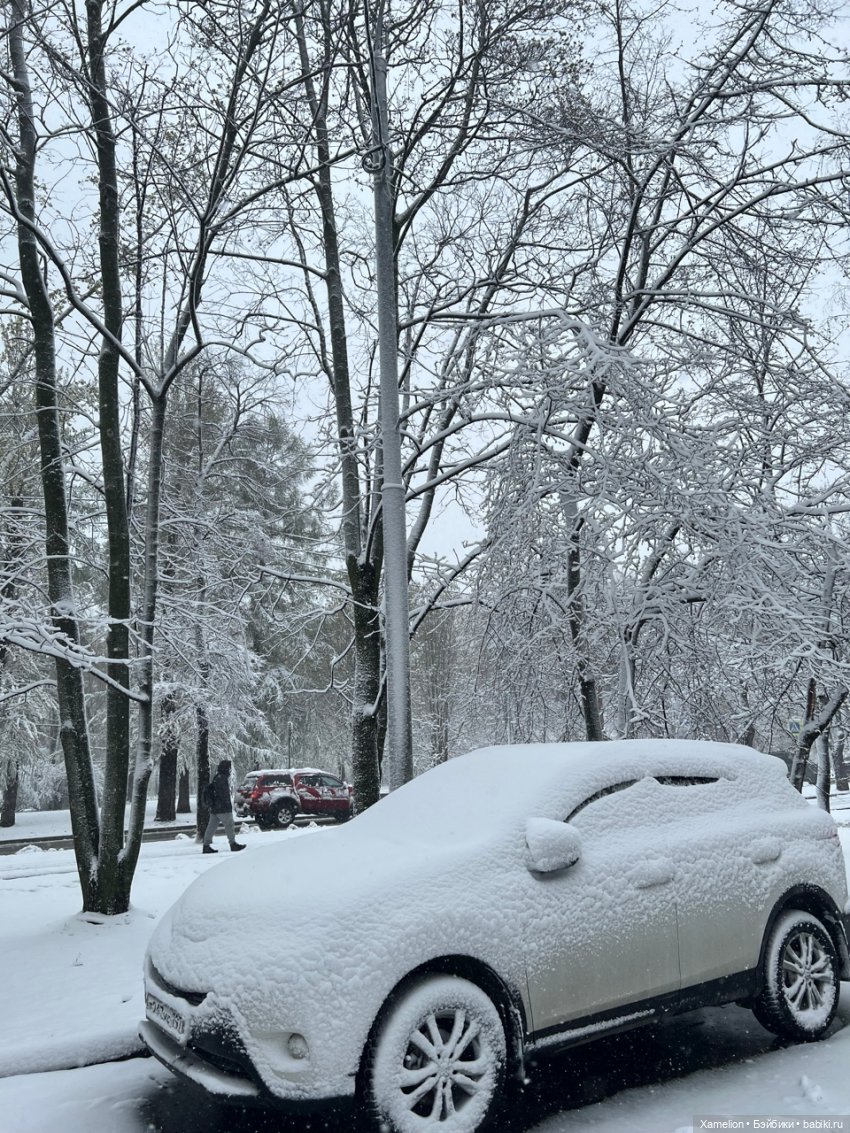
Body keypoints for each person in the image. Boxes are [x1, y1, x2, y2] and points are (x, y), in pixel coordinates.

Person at [202, 760, 245, 854]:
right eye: (229, 767)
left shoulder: (217, 777)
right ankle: (233, 844)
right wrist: (227, 805)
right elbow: (223, 794)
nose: (230, 770)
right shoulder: (222, 779)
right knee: (229, 825)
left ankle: (206, 846)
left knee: (211, 827)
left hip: (215, 808)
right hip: (223, 808)